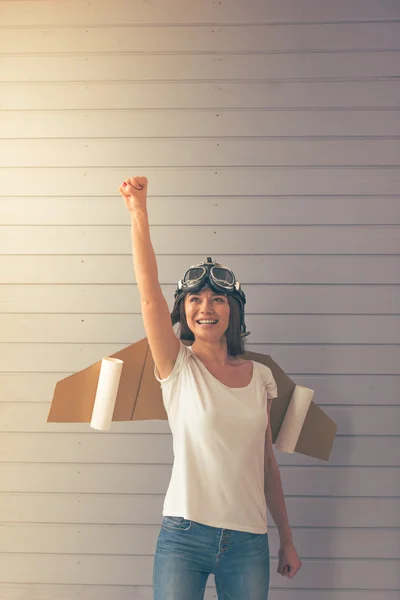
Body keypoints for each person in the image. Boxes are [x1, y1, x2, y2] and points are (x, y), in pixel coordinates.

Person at [118, 176, 302, 600]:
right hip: (183, 537)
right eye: (194, 299)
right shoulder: (176, 365)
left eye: (218, 299)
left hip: (248, 542)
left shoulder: (261, 378)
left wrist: (286, 538)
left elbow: (267, 467)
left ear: (233, 311)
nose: (206, 307)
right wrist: (138, 213)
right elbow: (149, 300)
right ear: (183, 310)